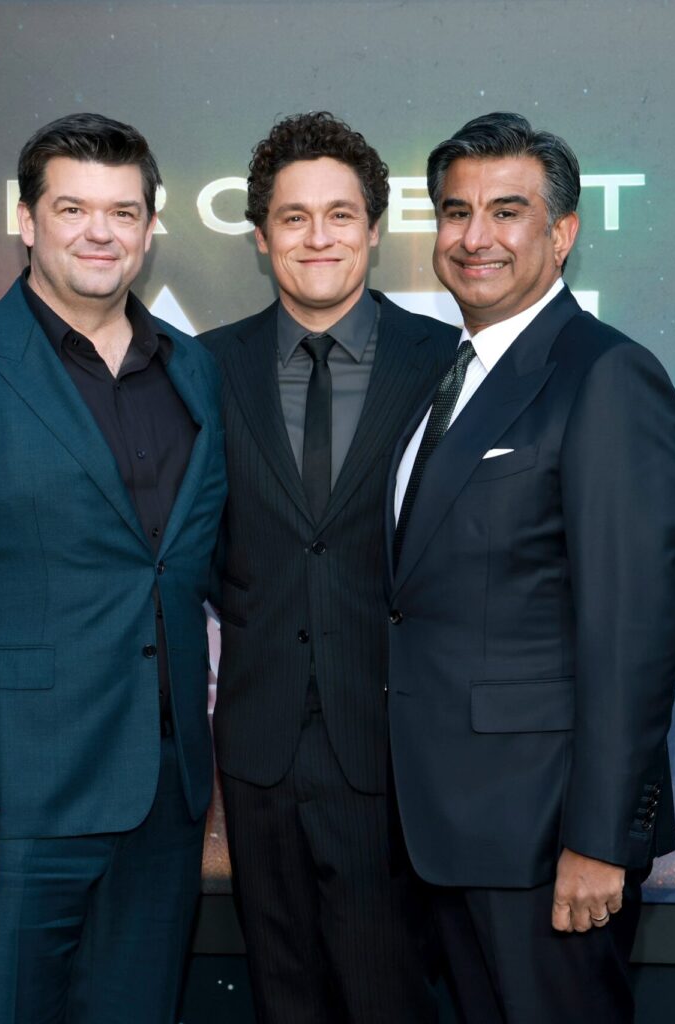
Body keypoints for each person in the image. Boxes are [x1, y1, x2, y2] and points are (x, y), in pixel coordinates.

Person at [0, 112, 226, 1024]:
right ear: (27, 221)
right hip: (15, 810)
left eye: (122, 210)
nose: (99, 231)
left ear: (150, 227)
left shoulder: (194, 373)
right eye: (73, 208)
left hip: (164, 799)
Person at [386, 112, 675, 1023]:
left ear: (562, 234)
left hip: (544, 839)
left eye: (506, 211)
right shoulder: (445, 372)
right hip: (442, 828)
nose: (475, 237)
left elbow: (632, 630)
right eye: (455, 210)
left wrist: (598, 841)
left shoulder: (604, 376)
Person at [201, 111, 456, 1024]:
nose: (318, 237)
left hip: (398, 745)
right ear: (261, 234)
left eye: (341, 215)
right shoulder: (202, 369)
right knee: (284, 999)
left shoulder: (446, 365)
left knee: (394, 995)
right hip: (258, 749)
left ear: (377, 230)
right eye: (295, 217)